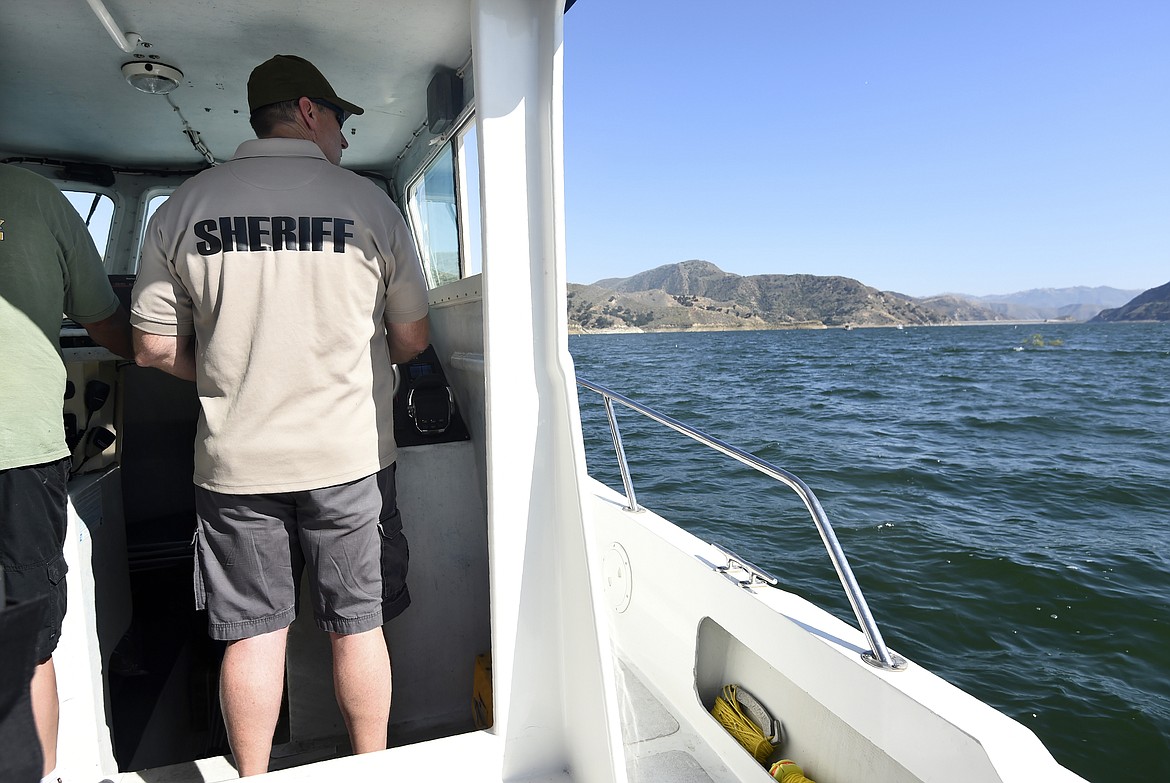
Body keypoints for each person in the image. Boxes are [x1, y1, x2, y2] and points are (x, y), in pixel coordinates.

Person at [130, 54, 430, 776]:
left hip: (237, 468)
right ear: (305, 110)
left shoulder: (184, 208)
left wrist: (234, 372)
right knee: (359, 627)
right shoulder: (371, 207)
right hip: (349, 460)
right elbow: (414, 340)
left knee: (253, 635)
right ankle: (371, 771)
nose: (346, 139)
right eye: (339, 119)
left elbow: (148, 347)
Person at [0, 163, 133, 783]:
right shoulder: (34, 197)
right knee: (29, 640)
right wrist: (169, 351)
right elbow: (106, 322)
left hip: (21, 450)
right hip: (19, 450)